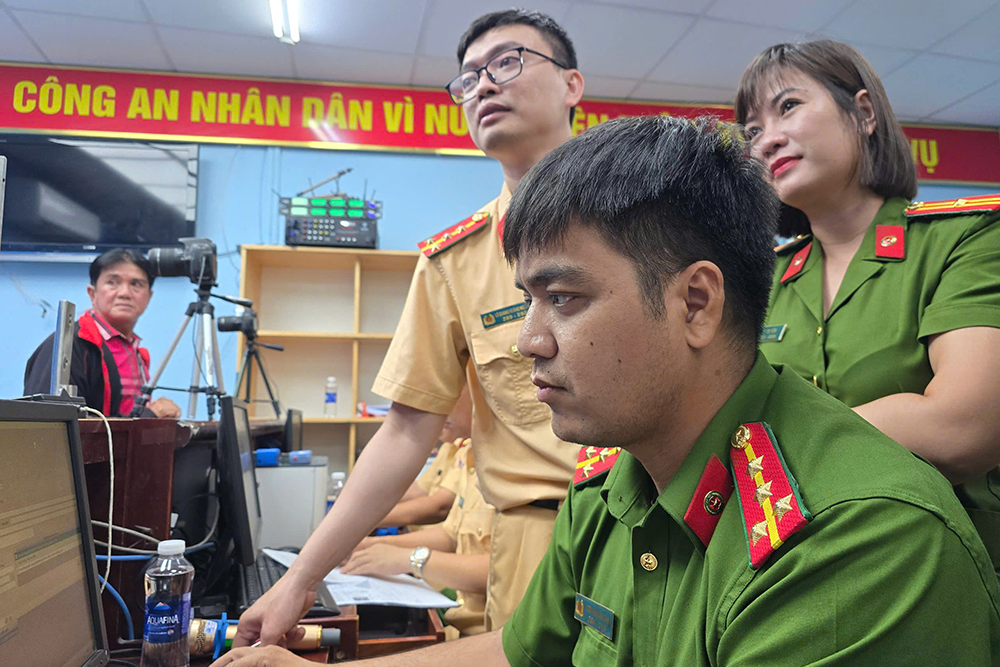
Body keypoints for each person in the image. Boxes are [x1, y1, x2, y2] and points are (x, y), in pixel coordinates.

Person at [213, 116, 1000, 667]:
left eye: (565, 298)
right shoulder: (613, 483)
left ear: (696, 303)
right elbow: (523, 652)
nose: (528, 342)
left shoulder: (854, 546)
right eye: (527, 302)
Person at [228, 9, 585, 649]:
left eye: (507, 62)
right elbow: (405, 429)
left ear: (571, 85)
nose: (484, 85)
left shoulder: (650, 224)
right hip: (533, 544)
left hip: (658, 523)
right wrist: (302, 578)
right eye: (469, 77)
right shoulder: (455, 261)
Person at [734, 40, 1000, 568]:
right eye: (753, 131)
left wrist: (776, 447)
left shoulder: (965, 237)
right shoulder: (764, 281)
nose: (767, 141)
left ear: (863, 113)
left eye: (787, 106)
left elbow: (963, 429)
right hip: (800, 574)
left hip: (945, 568)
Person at [343, 439, 494, 638]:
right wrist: (371, 545)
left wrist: (408, 558)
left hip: (484, 627)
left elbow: (503, 570)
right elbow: (451, 533)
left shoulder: (510, 460)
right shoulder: (466, 451)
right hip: (457, 605)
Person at [23, 248, 181, 418]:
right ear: (92, 293)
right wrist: (150, 416)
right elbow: (48, 423)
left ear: (149, 296)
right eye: (112, 282)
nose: (125, 293)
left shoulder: (137, 354)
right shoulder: (66, 346)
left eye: (136, 284)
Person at [376, 386, 473, 529]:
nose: (444, 413)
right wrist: (367, 505)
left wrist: (365, 520)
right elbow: (419, 490)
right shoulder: (449, 446)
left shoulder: (467, 448)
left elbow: (439, 506)